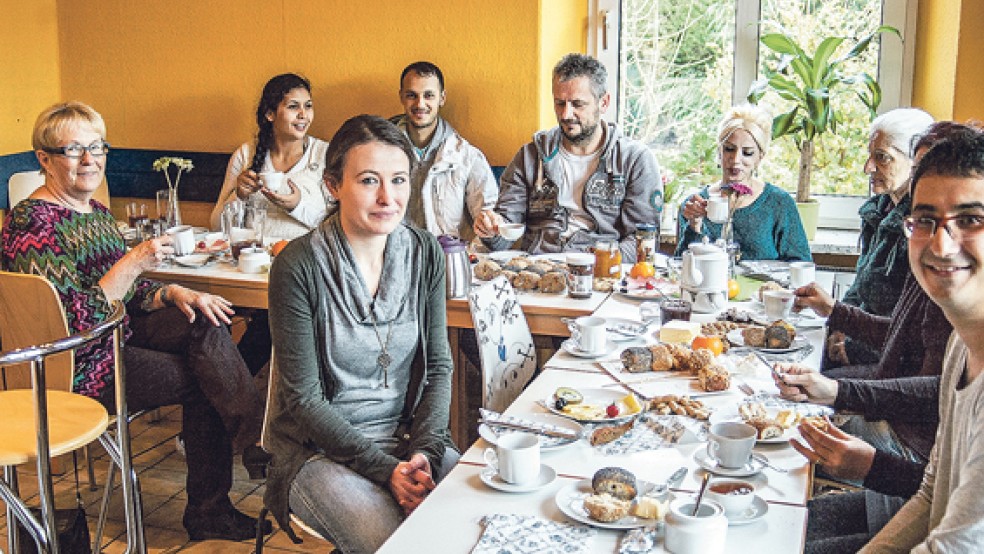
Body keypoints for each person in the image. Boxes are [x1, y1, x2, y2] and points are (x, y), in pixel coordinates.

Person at [0, 102, 268, 541]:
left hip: (116, 333)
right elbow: (68, 322)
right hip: (78, 363)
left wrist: (170, 292)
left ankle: (253, 442)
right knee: (206, 378)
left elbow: (128, 293)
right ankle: (222, 493)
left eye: (97, 147)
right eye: (73, 150)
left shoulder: (97, 214)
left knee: (205, 317)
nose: (90, 160)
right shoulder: (32, 223)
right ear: (44, 159)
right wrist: (136, 261)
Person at [263, 115, 459, 553]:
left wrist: (425, 453)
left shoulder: (425, 252)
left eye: (399, 180)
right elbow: (304, 401)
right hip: (319, 454)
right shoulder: (298, 267)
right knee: (401, 547)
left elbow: (439, 368)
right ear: (333, 185)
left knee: (475, 527)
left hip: (410, 439)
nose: (388, 198)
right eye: (369, 180)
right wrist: (386, 470)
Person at [859, 124, 984, 552]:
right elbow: (931, 495)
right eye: (926, 220)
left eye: (970, 220)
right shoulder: (960, 347)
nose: (942, 245)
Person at [474, 53, 661, 261]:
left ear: (604, 103)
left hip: (603, 272)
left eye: (577, 104)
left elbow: (643, 239)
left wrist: (593, 262)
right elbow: (504, 235)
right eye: (559, 103)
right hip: (539, 271)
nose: (565, 115)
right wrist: (491, 229)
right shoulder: (530, 157)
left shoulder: (635, 160)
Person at [209, 73, 332, 376]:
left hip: (302, 265)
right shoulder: (247, 154)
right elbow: (216, 226)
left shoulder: (325, 154)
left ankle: (233, 387)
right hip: (248, 266)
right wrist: (238, 195)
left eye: (308, 106)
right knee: (207, 317)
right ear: (269, 113)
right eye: (293, 107)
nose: (303, 115)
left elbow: (335, 221)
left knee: (273, 315)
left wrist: (295, 203)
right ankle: (228, 388)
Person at [826, 108, 933, 368]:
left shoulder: (921, 230)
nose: (868, 168)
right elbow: (859, 287)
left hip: (887, 358)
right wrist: (839, 326)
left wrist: (854, 346)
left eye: (882, 158)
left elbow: (911, 333)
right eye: (869, 156)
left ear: (915, 162)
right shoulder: (877, 211)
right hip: (857, 339)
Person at [676, 103, 811, 261]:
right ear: (719, 151)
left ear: (760, 157)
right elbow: (680, 269)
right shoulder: (694, 206)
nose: (735, 160)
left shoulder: (779, 204)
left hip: (766, 286)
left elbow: (802, 264)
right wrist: (694, 226)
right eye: (729, 149)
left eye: (747, 153)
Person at [390, 61, 498, 242]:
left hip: (447, 261)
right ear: (401, 97)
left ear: (442, 98)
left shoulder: (468, 157)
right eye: (411, 95)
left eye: (429, 95)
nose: (420, 103)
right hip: (392, 259)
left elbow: (489, 218)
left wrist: (490, 229)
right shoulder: (380, 153)